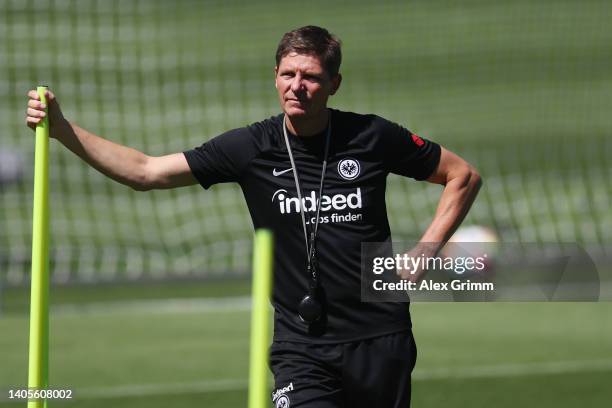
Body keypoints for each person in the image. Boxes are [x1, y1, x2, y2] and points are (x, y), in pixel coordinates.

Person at [25, 25, 481, 408]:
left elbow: (462, 176)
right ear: (275, 76)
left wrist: (422, 257)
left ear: (335, 83)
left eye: (311, 76)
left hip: (381, 337)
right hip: (300, 345)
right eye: (287, 74)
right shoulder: (251, 148)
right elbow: (146, 171)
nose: (296, 86)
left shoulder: (372, 135)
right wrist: (62, 128)